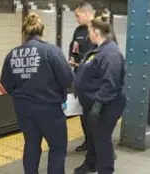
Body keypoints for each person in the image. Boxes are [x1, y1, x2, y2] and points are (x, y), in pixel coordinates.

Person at [0, 12, 74, 174]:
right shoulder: (51, 52)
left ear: (24, 32)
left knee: (32, 144)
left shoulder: (12, 54)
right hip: (50, 110)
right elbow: (68, 79)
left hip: (24, 110)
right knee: (57, 147)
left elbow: (5, 82)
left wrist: (20, 95)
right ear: (41, 31)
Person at [73, 16, 126, 174]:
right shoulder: (98, 49)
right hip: (93, 103)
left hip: (106, 104)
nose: (88, 34)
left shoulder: (111, 53)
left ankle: (105, 169)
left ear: (96, 32)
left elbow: (110, 82)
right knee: (93, 136)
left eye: (89, 31)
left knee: (102, 139)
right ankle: (91, 163)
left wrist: (99, 103)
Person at [68, 2, 95, 152]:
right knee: (83, 114)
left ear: (86, 14)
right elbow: (74, 47)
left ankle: (97, 144)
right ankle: (88, 140)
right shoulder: (78, 31)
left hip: (94, 81)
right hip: (81, 79)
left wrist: (83, 65)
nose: (76, 19)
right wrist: (72, 58)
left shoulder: (101, 28)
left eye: (78, 16)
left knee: (95, 114)